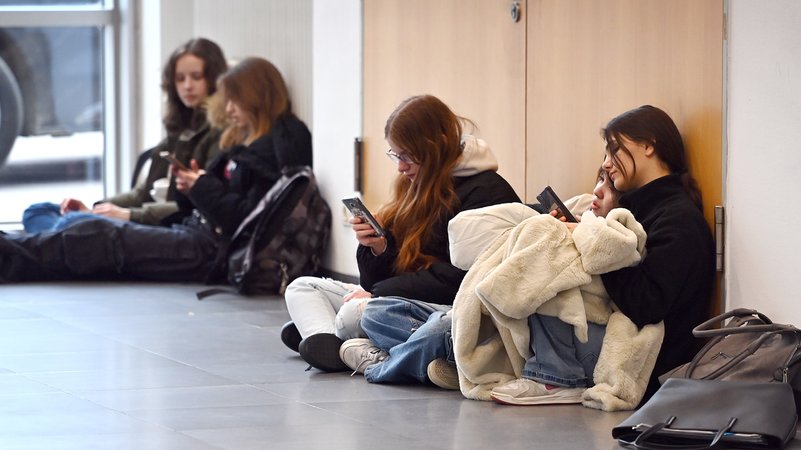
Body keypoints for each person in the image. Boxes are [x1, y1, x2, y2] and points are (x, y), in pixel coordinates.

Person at [0, 57, 312, 284]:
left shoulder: (270, 152)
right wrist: (193, 187)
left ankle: (15, 249)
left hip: (208, 248)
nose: (228, 109)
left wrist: (202, 187)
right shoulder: (235, 142)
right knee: (58, 219)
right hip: (191, 229)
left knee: (93, 233)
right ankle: (28, 244)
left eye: (235, 101)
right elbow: (182, 201)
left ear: (256, 98)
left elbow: (245, 220)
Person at [488, 105, 716, 405]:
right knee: (546, 237)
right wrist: (583, 234)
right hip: (612, 345)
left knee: (547, 245)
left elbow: (645, 306)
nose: (607, 164)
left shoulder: (678, 219)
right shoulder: (646, 209)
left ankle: (556, 376)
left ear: (649, 145)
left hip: (641, 365)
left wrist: (591, 240)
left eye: (614, 150)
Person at [281, 94, 521, 372]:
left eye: (407, 156)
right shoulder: (415, 183)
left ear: (435, 147)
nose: (400, 166)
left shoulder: (485, 192)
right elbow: (373, 281)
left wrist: (379, 294)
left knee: (360, 313)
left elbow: (457, 279)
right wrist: (378, 248)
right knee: (301, 288)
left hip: (444, 304)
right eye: (396, 155)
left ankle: (331, 335)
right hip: (400, 295)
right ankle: (334, 342)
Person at [338, 167, 629, 388]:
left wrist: (563, 236)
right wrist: (378, 250)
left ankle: (382, 364)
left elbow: (461, 277)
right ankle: (444, 359)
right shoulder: (579, 213)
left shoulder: (613, 237)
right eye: (599, 179)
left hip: (500, 327)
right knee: (376, 313)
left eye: (611, 185)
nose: (597, 191)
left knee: (440, 327)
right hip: (465, 309)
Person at [22, 37, 228, 233]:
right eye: (180, 79)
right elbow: (142, 193)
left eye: (196, 77)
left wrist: (127, 215)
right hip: (145, 219)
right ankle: (64, 236)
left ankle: (62, 236)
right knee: (37, 212)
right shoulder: (177, 131)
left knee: (70, 223)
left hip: (170, 227)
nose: (187, 86)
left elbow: (192, 209)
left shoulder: (218, 134)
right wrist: (98, 208)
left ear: (214, 80)